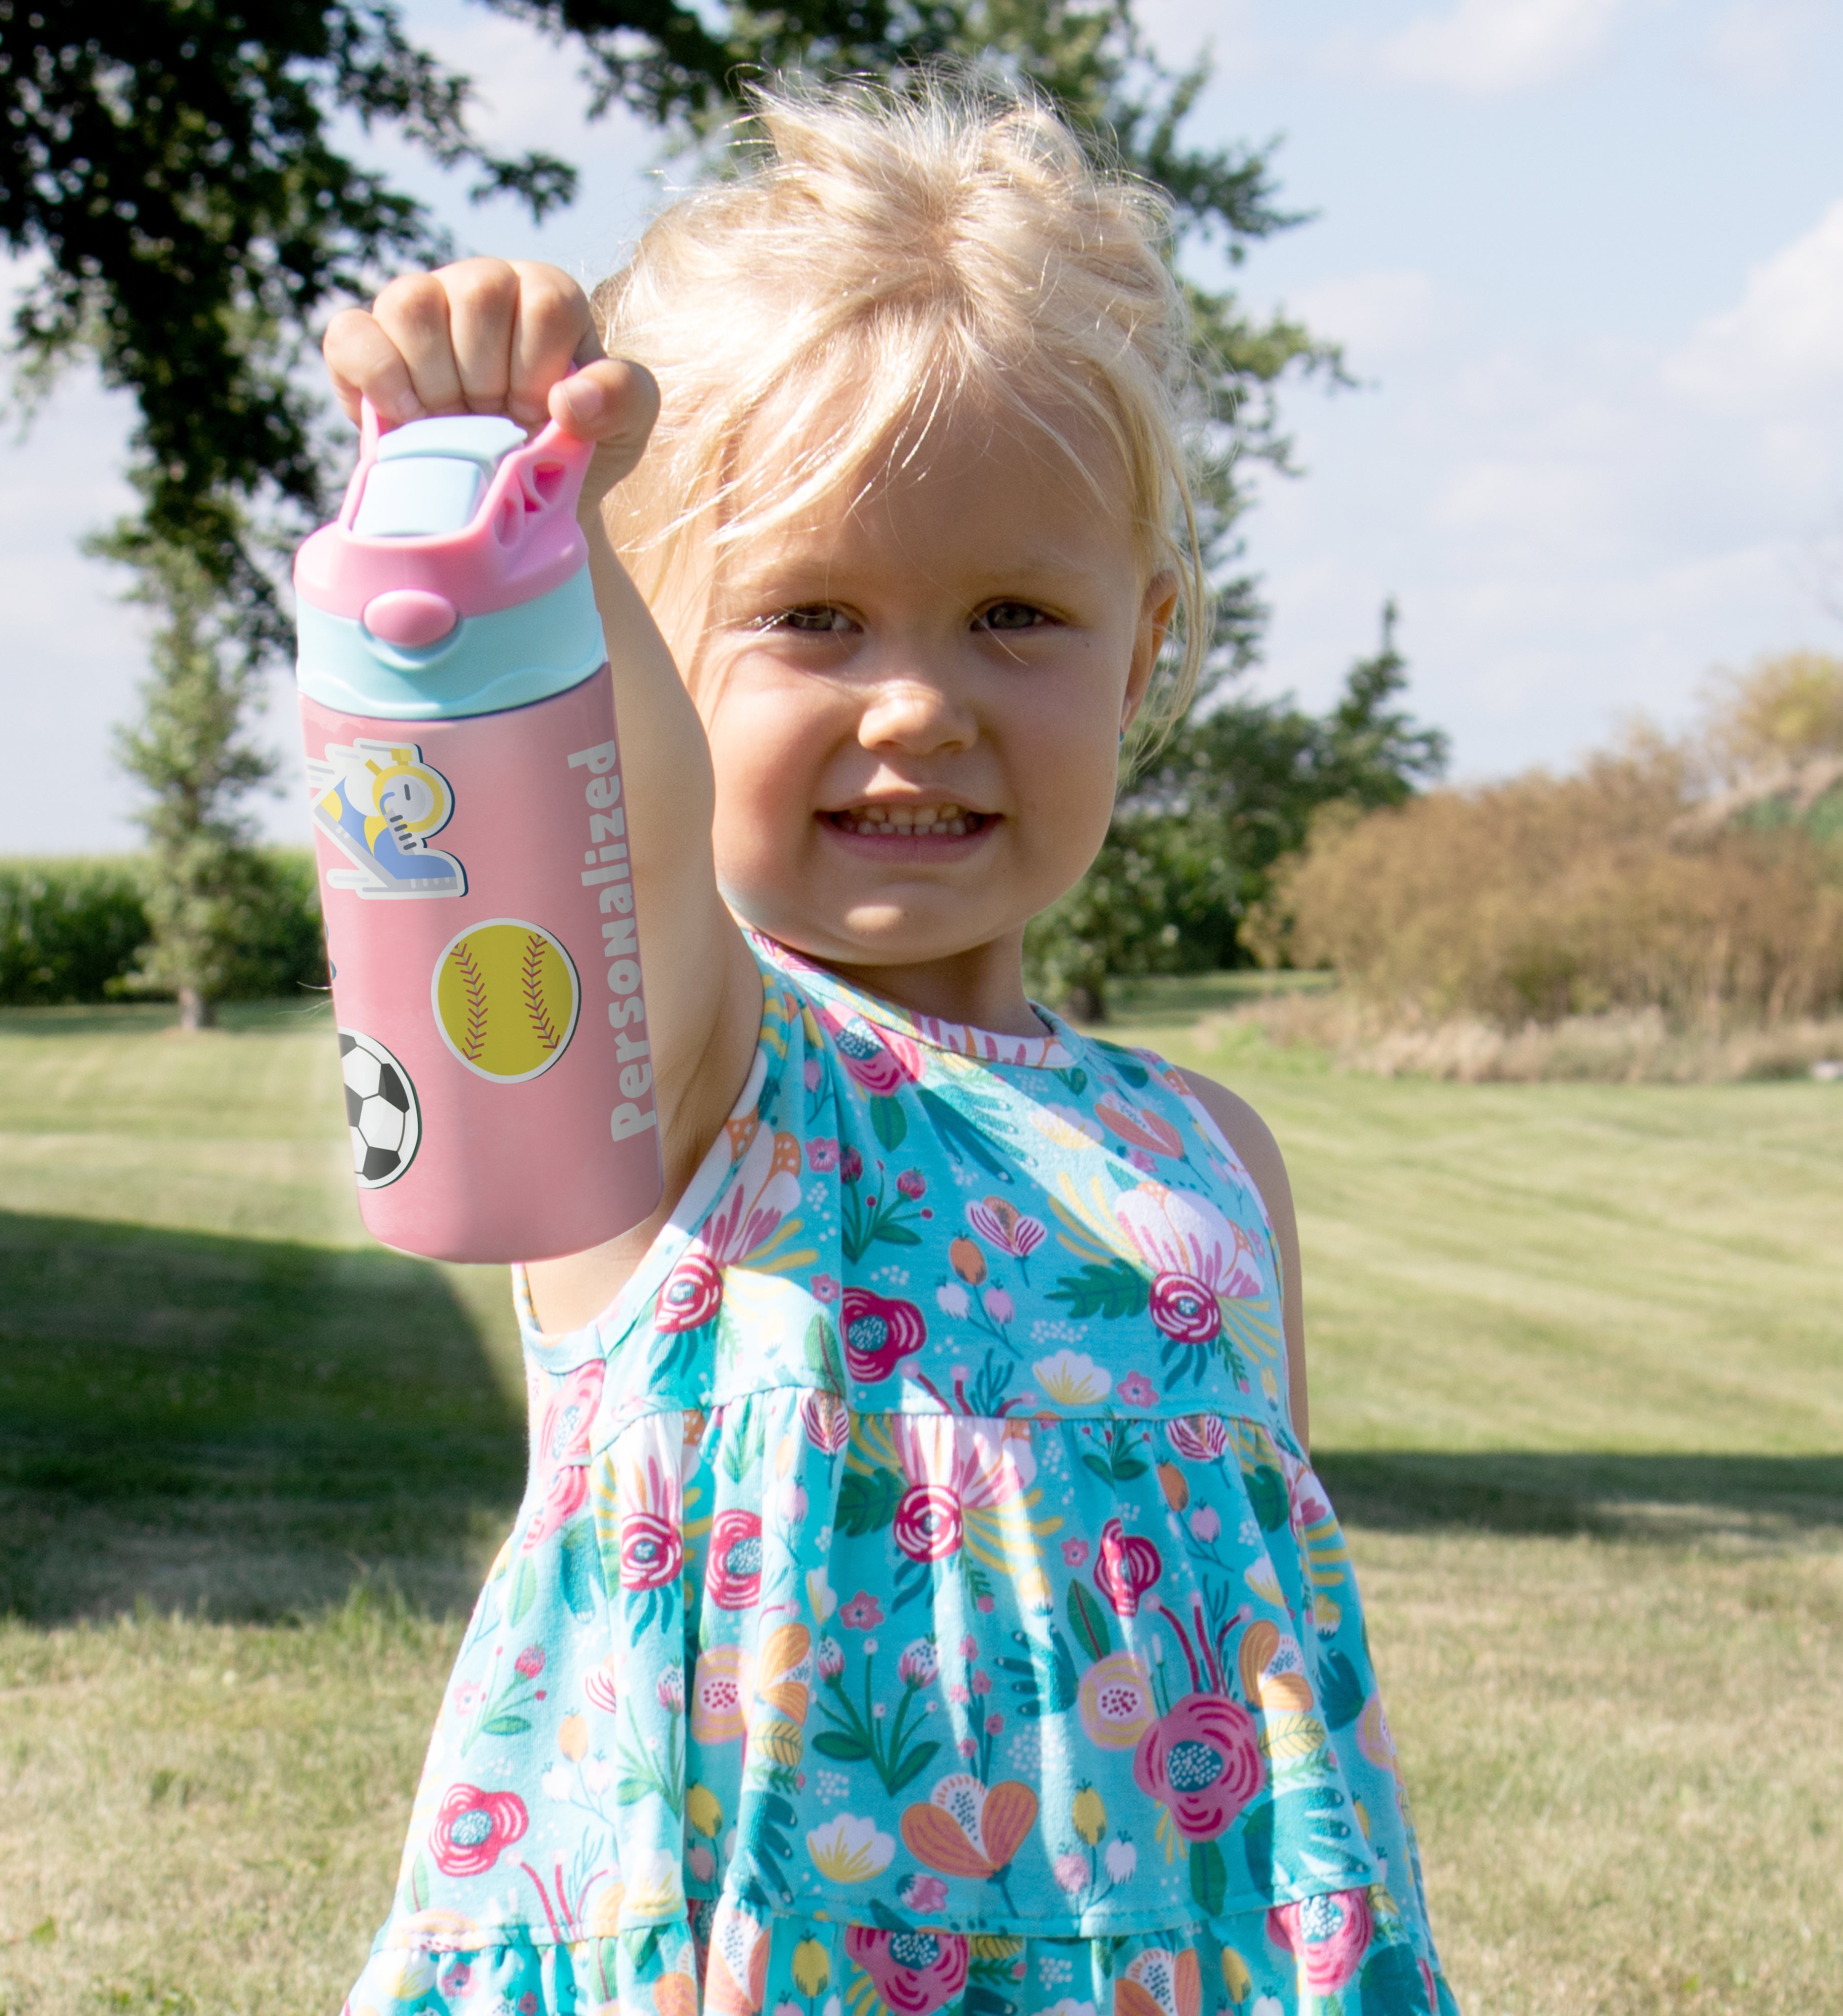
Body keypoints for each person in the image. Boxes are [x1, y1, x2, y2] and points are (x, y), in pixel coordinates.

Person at [323, 77, 1459, 2016]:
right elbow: (634, 830)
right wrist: (521, 525)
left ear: (1146, 643)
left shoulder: (1208, 1157)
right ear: (650, 661)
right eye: (811, 618)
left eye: (1017, 614)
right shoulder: (697, 1082)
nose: (919, 702)